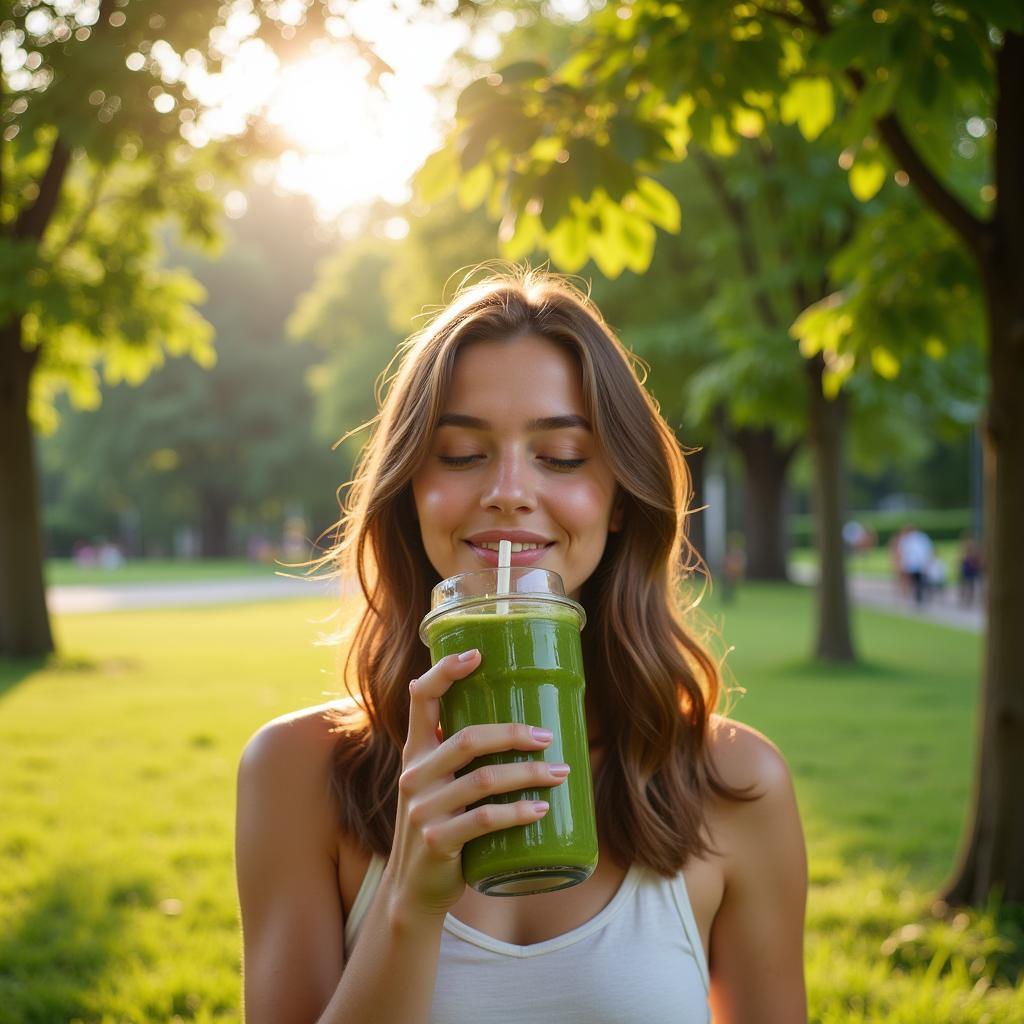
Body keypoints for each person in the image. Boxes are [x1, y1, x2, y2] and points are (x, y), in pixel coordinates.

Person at [235, 267, 808, 1024]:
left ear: (618, 504)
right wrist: (408, 901)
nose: (508, 489)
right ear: (410, 492)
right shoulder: (296, 772)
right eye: (461, 454)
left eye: (563, 456)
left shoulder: (735, 784)